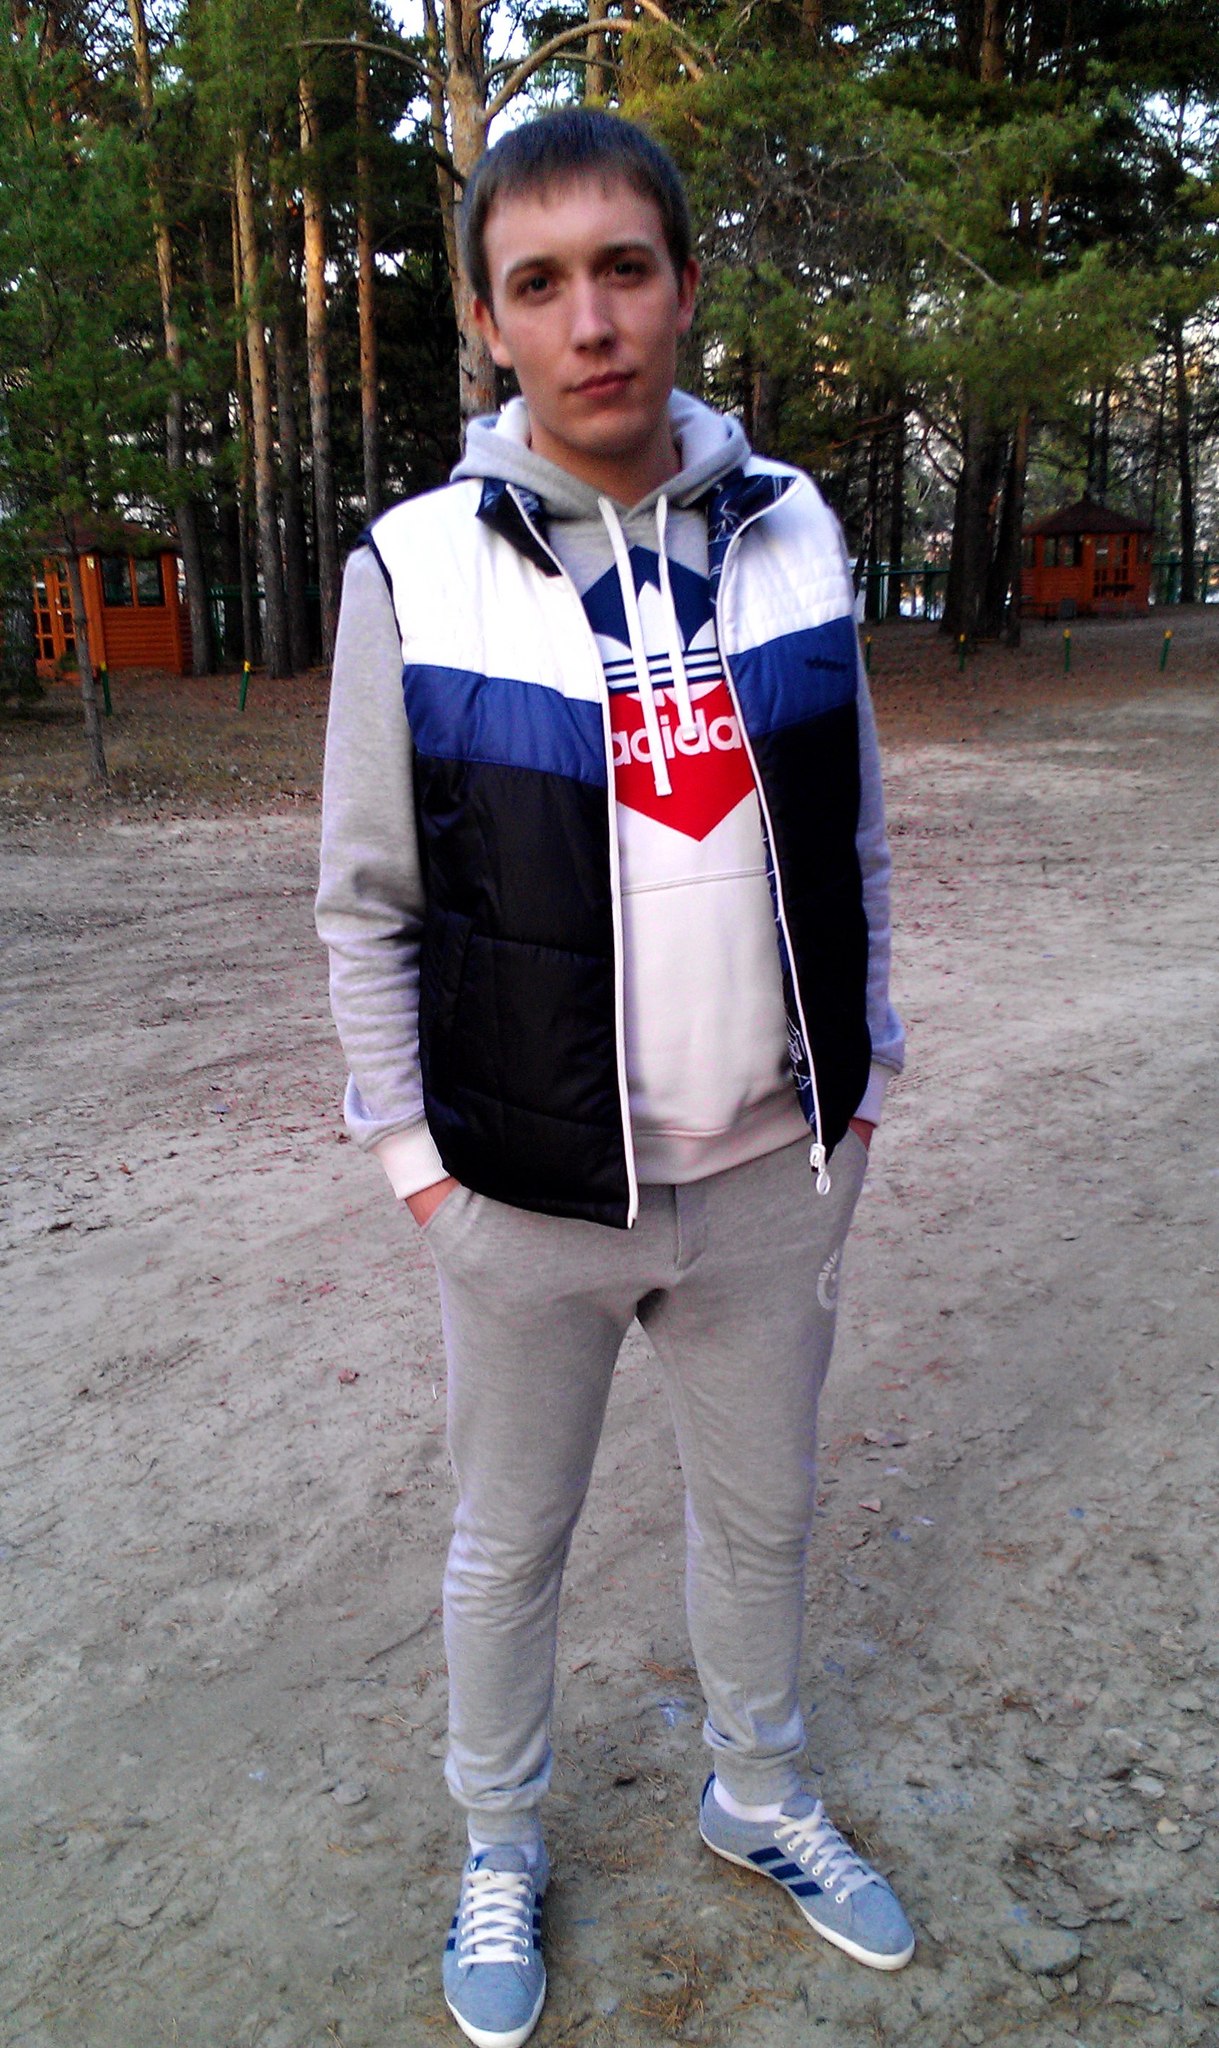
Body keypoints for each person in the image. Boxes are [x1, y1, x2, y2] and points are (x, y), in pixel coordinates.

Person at [315, 106, 912, 2048]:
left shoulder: (797, 529)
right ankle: (500, 1837)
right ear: (490, 322)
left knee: (763, 1519)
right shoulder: (415, 568)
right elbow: (366, 900)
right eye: (541, 282)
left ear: (684, 286)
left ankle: (760, 1793)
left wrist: (862, 1086)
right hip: (525, 1198)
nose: (592, 320)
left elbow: (852, 839)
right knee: (511, 1546)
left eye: (625, 268)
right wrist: (418, 1168)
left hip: (766, 1180)